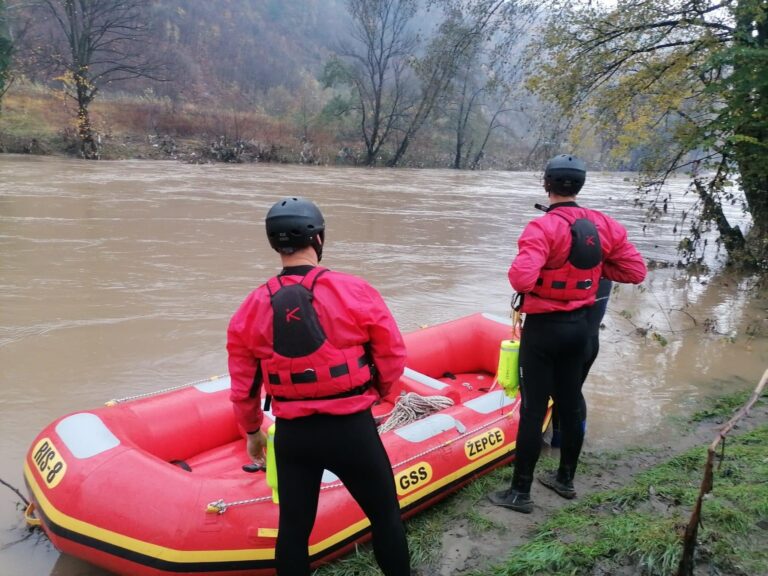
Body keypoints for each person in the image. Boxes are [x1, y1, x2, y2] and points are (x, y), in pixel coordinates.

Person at [227, 197, 411, 575]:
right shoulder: (354, 290)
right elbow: (392, 353)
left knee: (293, 531)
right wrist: (384, 395)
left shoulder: (249, 307)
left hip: (294, 436)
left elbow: (243, 386)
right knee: (386, 518)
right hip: (352, 430)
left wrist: (251, 432)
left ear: (275, 244)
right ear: (319, 239)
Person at [489, 154, 646, 513]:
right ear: (580, 185)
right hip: (581, 329)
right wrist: (593, 266)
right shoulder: (606, 225)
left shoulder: (541, 227)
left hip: (544, 332)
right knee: (571, 403)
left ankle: (520, 493)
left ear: (547, 185)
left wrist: (555, 268)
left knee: (532, 411)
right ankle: (565, 481)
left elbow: (521, 280)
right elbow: (636, 271)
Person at [549, 276, 612, 447]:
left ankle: (562, 442)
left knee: (563, 392)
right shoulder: (604, 272)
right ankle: (571, 441)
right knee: (572, 392)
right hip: (591, 341)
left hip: (572, 342)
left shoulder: (580, 269)